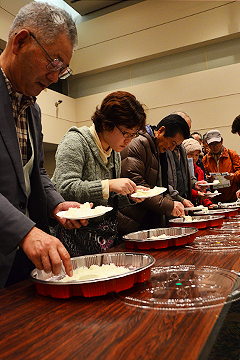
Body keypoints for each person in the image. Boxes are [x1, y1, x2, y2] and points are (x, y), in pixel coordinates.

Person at [0, 2, 89, 288]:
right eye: (53, 63)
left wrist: (57, 205)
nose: (53, 78)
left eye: (62, 70)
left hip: (22, 262)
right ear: (20, 41)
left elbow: (35, 171)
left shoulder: (33, 108)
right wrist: (24, 232)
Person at [52, 91, 147, 253]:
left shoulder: (114, 151)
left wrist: (130, 196)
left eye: (133, 134)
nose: (129, 140)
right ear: (106, 124)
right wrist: (108, 185)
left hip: (100, 237)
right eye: (125, 133)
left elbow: (107, 200)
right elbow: (64, 188)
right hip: (72, 236)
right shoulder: (75, 141)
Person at [120, 113, 190, 232]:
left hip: (147, 219)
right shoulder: (138, 144)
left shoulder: (157, 149)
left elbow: (159, 187)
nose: (172, 149)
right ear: (161, 131)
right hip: (132, 221)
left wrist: (174, 203)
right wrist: (169, 206)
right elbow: (137, 186)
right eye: (172, 143)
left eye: (176, 146)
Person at [202, 129, 240, 203]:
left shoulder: (232, 154)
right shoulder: (205, 159)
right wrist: (208, 179)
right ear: (207, 144)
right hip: (214, 200)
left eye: (217, 143)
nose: (214, 147)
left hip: (233, 198)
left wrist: (234, 176)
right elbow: (203, 176)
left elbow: (239, 170)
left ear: (221, 141)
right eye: (212, 144)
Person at [166, 111, 193, 207]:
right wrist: (179, 199)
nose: (186, 135)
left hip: (182, 200)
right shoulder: (165, 147)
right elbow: (163, 182)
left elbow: (184, 174)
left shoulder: (182, 147)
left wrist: (195, 183)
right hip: (171, 201)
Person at [183, 138, 215, 208]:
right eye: (191, 154)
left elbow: (203, 192)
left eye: (197, 155)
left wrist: (209, 204)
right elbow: (183, 189)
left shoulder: (199, 170)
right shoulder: (181, 171)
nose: (194, 158)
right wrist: (197, 194)